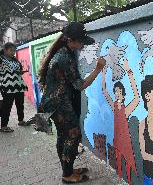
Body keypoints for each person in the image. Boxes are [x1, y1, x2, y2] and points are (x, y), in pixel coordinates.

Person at [37, 22, 106, 184]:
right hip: (58, 103)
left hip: (54, 102)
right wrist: (98, 69)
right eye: (80, 41)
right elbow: (80, 85)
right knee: (73, 134)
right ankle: (67, 175)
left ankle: (67, 170)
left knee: (63, 136)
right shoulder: (64, 57)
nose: (82, 44)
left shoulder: (65, 52)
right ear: (70, 40)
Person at [102, 59, 139, 184]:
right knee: (119, 165)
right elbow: (104, 91)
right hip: (117, 140)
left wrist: (129, 71)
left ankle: (128, 181)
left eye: (120, 91)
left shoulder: (126, 110)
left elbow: (137, 97)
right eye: (116, 91)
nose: (117, 93)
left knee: (129, 164)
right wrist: (103, 73)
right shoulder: (114, 106)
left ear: (123, 94)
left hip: (126, 141)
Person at [0, 42, 29, 133]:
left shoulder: (15, 60)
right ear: (5, 50)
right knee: (7, 106)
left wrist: (20, 72)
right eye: (11, 50)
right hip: (7, 86)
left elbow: (17, 70)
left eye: (14, 51)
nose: (13, 52)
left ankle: (21, 121)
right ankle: (4, 126)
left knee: (20, 104)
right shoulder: (1, 59)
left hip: (19, 85)